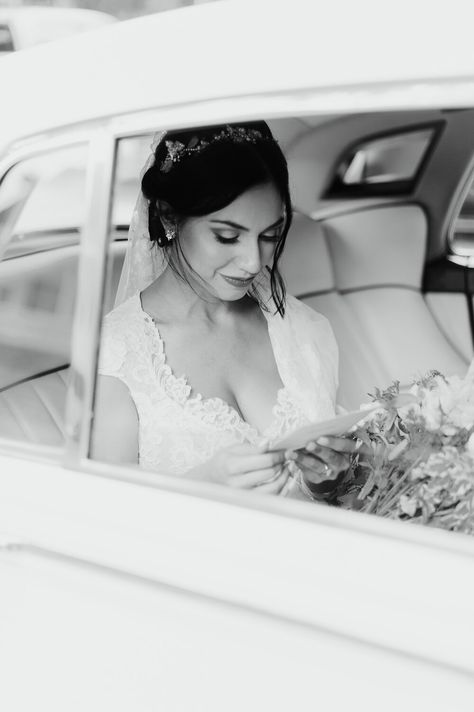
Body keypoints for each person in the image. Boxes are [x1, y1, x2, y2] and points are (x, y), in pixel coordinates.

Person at [92, 121, 357, 499]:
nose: (253, 262)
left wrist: (325, 481)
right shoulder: (117, 355)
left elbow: (331, 495)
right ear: (168, 216)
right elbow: (104, 522)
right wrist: (203, 487)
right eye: (227, 236)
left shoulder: (302, 328)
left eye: (270, 236)